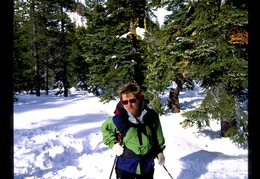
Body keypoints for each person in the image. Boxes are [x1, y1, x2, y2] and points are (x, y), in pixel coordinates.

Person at [101, 84, 166, 179]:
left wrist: (159, 151)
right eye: (125, 102)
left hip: (146, 165)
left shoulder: (151, 116)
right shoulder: (119, 119)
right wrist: (113, 144)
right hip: (125, 166)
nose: (129, 105)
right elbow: (105, 129)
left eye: (132, 100)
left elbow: (158, 135)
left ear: (138, 99)